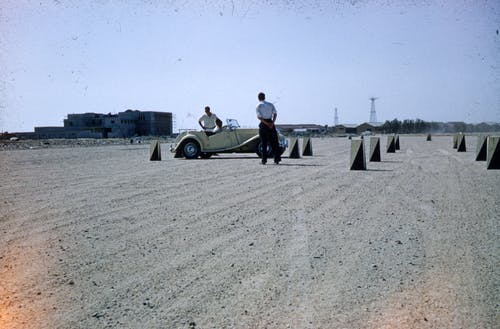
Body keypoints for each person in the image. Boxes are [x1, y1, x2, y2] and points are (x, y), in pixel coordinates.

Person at [256, 92, 281, 165]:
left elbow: (259, 117)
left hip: (264, 124)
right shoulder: (270, 104)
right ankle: (276, 159)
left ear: (258, 98)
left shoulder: (258, 105)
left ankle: (264, 160)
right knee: (274, 142)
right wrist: (272, 123)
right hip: (271, 122)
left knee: (264, 143)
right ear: (264, 97)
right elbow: (275, 114)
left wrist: (266, 124)